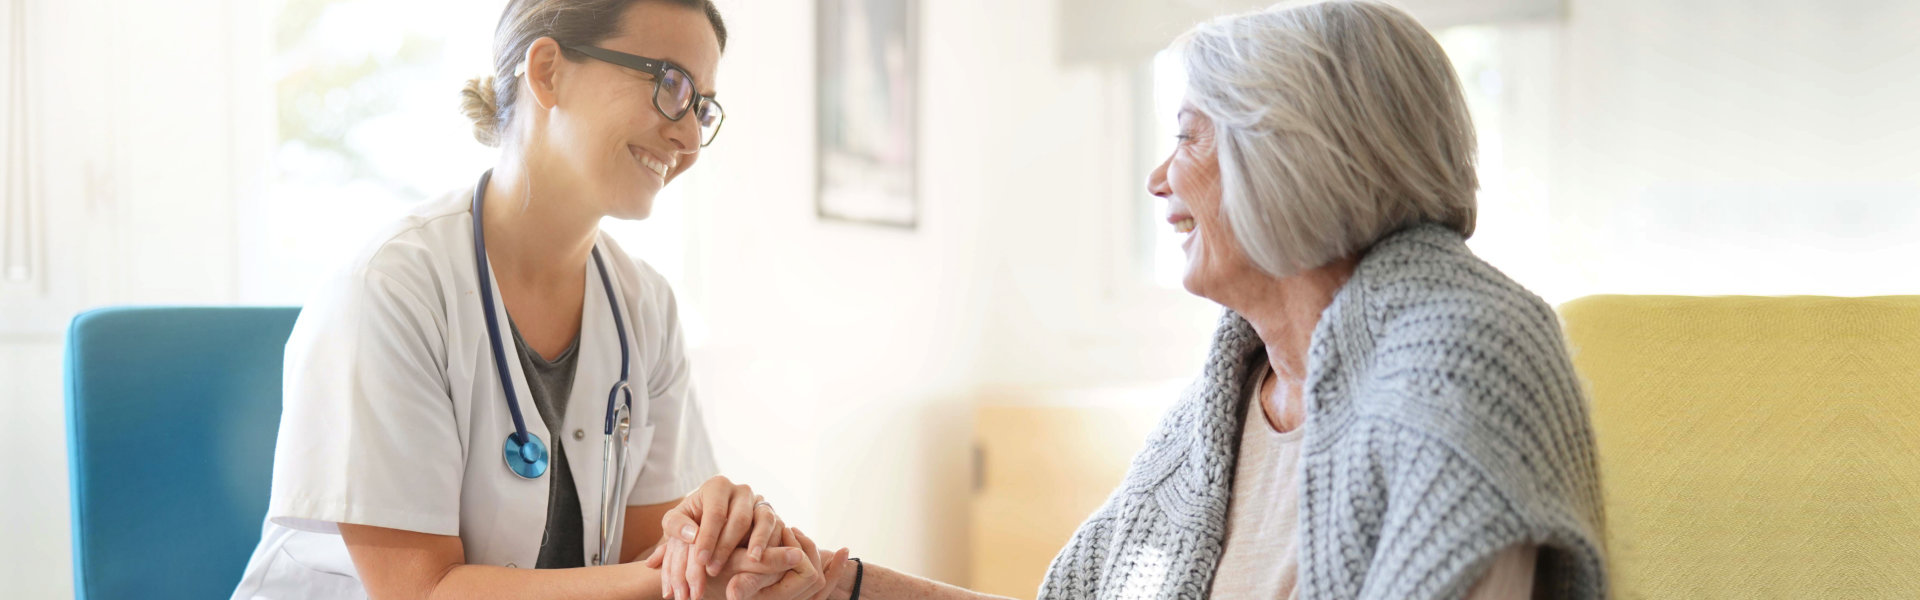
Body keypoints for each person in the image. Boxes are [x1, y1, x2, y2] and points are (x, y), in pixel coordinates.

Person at [662, 2, 1606, 599]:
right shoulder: (1225, 402)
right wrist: (838, 583)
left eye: (1190, 136)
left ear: (1293, 156)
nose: (1158, 178)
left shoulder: (1466, 361)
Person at [229, 1, 847, 598]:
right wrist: (674, 575)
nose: (687, 134)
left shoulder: (646, 307)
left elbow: (646, 552)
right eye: (670, 84)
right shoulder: (389, 291)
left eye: (702, 107)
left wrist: (714, 545)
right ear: (547, 71)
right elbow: (422, 592)